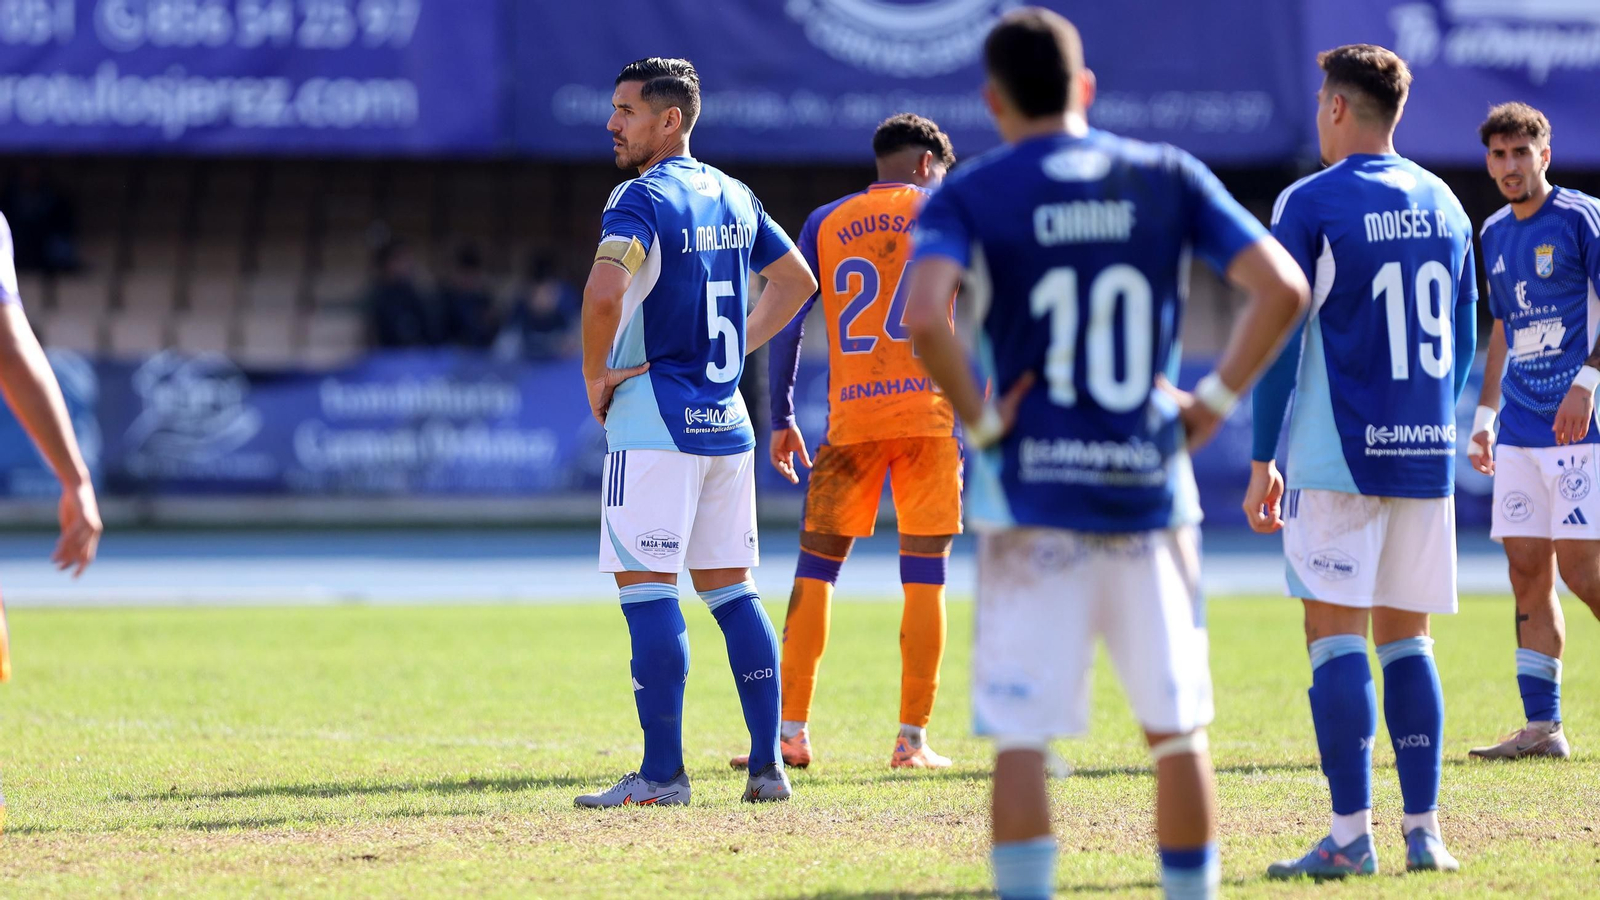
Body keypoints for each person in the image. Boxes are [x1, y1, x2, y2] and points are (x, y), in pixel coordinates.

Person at [904, 9, 1308, 899]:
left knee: (1022, 738)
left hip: (1032, 495)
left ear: (993, 101)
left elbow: (926, 318)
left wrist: (983, 422)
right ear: (1086, 90)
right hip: (1148, 491)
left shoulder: (973, 188)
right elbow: (1283, 286)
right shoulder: (1164, 174)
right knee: (1176, 732)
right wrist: (1208, 406)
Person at [1246, 44, 1477, 877]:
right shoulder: (1447, 203)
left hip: (1334, 455)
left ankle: (1349, 836)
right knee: (1409, 638)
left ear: (1338, 108)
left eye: (1319, 102)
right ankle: (1425, 832)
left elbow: (1275, 338)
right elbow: (1459, 330)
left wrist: (1262, 456)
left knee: (1332, 632)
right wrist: (1431, 423)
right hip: (1425, 454)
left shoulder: (1309, 200)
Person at [572, 57, 818, 808]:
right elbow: (798, 281)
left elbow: (604, 292)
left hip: (652, 422)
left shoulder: (639, 199)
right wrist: (734, 349)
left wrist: (592, 377)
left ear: (669, 119)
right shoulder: (735, 195)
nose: (612, 123)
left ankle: (662, 776)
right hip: (726, 423)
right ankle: (767, 771)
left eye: (625, 110)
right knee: (733, 592)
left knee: (648, 592)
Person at [731, 113, 960, 774]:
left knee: (815, 573)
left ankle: (790, 732)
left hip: (849, 423)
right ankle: (910, 740)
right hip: (928, 419)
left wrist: (778, 414)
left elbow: (789, 317)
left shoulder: (826, 221)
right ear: (925, 165)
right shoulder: (947, 208)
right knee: (924, 577)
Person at [1467, 103, 1600, 761]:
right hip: (1519, 429)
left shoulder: (1581, 217)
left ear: (1544, 154)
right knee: (1526, 570)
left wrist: (1588, 383)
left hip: (1581, 428)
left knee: (1584, 571)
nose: (1511, 165)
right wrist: (1485, 419)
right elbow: (1502, 328)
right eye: (1499, 155)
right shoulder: (1492, 231)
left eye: (1522, 152)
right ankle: (1543, 728)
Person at [495, 255, 580, 361]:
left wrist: (571, 345)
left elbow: (580, 349)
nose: (543, 299)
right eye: (538, 293)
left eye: (549, 292)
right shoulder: (519, 315)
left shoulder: (567, 311)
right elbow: (501, 354)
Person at [364, 237, 438, 349]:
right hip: (388, 359)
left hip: (419, 358)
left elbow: (431, 334)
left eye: (408, 259)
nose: (406, 265)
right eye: (399, 260)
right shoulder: (376, 299)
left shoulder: (417, 295)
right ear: (386, 264)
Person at [437, 244, 498, 349]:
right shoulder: (446, 299)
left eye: (473, 275)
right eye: (465, 275)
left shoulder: (483, 299)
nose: (468, 280)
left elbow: (491, 334)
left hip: (479, 353)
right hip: (451, 352)